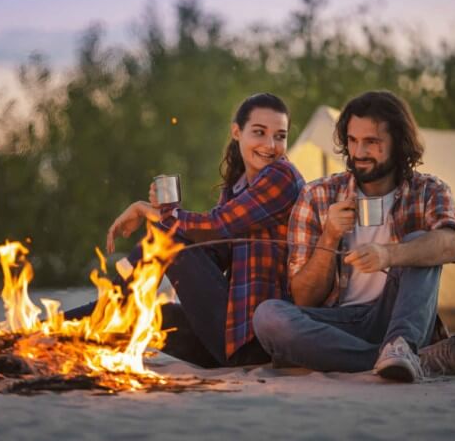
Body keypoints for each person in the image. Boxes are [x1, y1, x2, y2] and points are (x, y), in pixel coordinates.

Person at [65, 93, 305, 368]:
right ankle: (59, 329)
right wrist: (165, 218)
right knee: (154, 314)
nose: (271, 145)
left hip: (256, 342)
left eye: (280, 136)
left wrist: (152, 213)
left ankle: (100, 312)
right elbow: (213, 252)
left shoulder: (282, 177)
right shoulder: (238, 187)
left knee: (165, 240)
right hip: (227, 336)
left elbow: (216, 226)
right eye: (259, 133)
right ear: (237, 132)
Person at [252, 90, 455, 382]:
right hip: (339, 323)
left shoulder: (428, 190)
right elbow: (304, 297)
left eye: (371, 142)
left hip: (399, 315)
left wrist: (389, 254)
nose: (358, 153)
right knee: (268, 316)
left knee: (422, 240)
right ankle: (407, 359)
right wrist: (329, 237)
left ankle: (401, 347)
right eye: (353, 141)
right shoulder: (318, 196)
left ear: (398, 142)